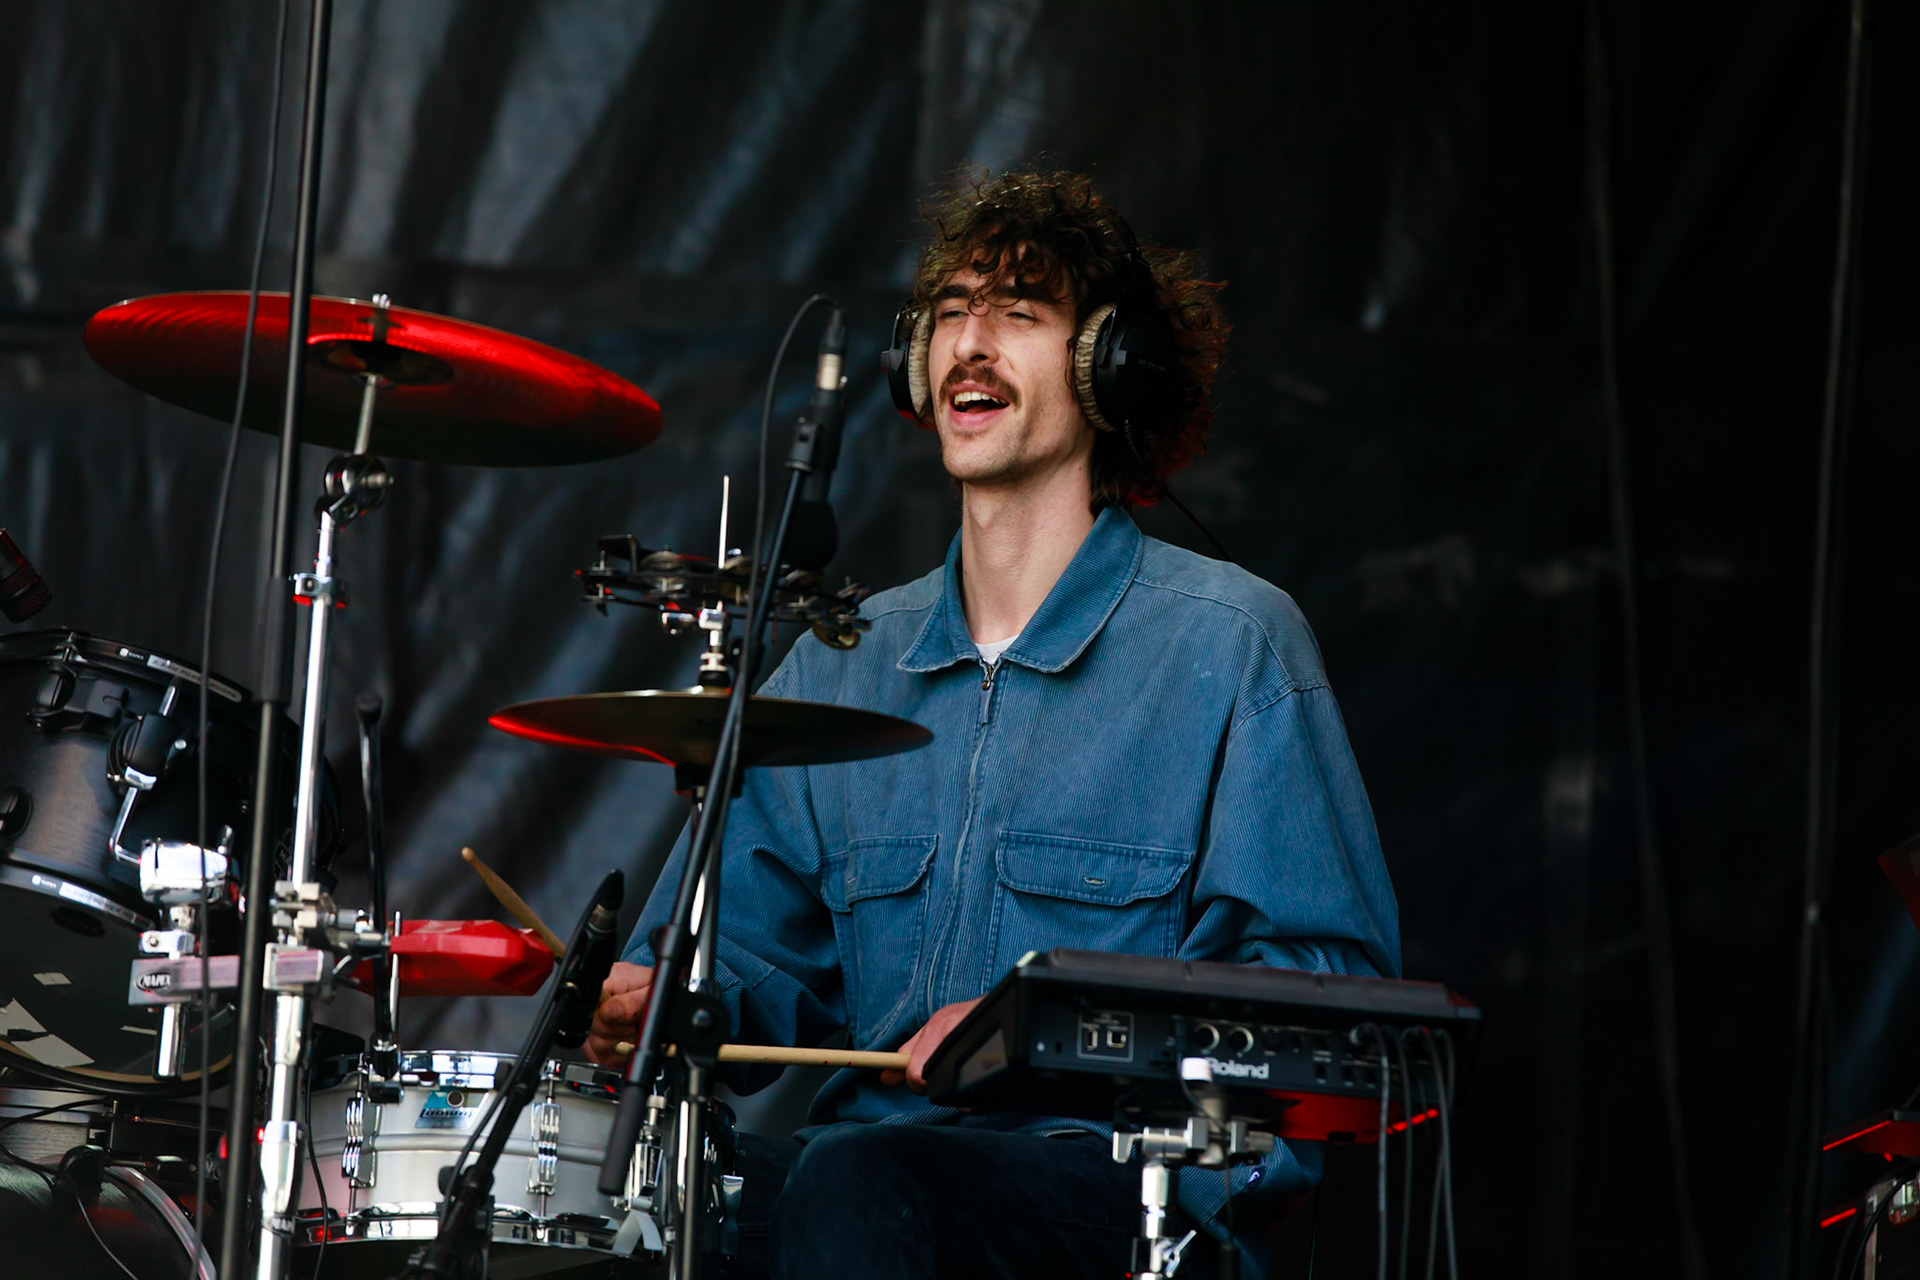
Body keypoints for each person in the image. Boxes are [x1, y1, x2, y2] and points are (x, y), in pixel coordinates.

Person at [588, 168, 1399, 1279]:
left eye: (1020, 313)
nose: (973, 341)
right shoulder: (845, 656)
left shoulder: (1233, 645)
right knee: (638, 1207)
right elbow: (743, 958)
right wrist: (660, 999)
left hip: (1120, 1187)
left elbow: (1329, 1000)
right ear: (911, 367)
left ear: (1111, 368)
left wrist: (1036, 1021)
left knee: (858, 1181)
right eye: (952, 311)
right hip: (869, 1171)